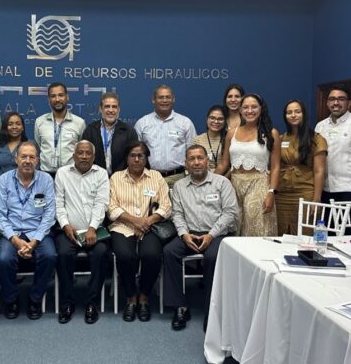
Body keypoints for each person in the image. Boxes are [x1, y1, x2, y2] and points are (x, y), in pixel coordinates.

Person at [163, 145, 238, 331]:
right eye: (191, 159)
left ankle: (211, 311)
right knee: (169, 252)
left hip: (217, 234)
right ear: (185, 164)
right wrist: (183, 234)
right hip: (190, 234)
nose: (196, 162)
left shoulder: (222, 183)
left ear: (207, 161)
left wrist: (211, 235)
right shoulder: (180, 186)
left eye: (200, 158)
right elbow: (177, 214)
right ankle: (180, 306)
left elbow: (230, 213)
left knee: (212, 258)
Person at [0, 141, 56, 320]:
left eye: (32, 157)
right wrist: (15, 239)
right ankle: (11, 299)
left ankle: (35, 299)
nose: (27, 161)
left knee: (50, 256)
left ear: (38, 160)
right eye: (24, 156)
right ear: (16, 159)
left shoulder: (46, 180)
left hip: (38, 232)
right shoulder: (4, 180)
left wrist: (34, 241)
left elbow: (50, 215)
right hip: (11, 232)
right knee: (3, 259)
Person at [108, 141, 171, 322]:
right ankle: (130, 298)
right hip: (123, 226)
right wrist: (136, 221)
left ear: (146, 158)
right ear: (127, 158)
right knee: (125, 255)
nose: (136, 159)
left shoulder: (156, 177)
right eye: (132, 155)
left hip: (150, 227)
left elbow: (167, 206)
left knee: (151, 255)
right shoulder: (116, 178)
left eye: (140, 155)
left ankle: (143, 297)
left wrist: (147, 221)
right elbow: (111, 208)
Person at [54, 141, 110, 324]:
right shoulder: (62, 173)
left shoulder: (101, 174)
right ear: (74, 155)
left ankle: (91, 302)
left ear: (93, 157)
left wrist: (93, 228)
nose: (84, 156)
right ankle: (67, 302)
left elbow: (101, 204)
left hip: (95, 230)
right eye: (80, 153)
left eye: (88, 153)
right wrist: (65, 225)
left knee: (101, 254)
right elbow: (59, 204)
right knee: (63, 254)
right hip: (68, 230)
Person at [215, 94, 280, 237]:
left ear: (261, 109)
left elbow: (275, 167)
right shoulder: (232, 133)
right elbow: (224, 164)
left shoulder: (271, 133)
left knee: (256, 230)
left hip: (259, 185)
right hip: (234, 186)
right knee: (235, 229)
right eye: (245, 107)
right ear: (240, 110)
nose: (249, 111)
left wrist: (271, 192)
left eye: (254, 107)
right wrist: (209, 181)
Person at [277, 100, 328, 235]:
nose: (293, 115)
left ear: (304, 114)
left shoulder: (316, 139)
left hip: (306, 193)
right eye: (289, 112)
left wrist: (316, 199)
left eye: (297, 112)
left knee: (305, 235)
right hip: (282, 195)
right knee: (281, 234)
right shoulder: (281, 139)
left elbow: (319, 171)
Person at [133, 85, 196, 188]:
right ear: (153, 100)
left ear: (173, 99)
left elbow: (193, 151)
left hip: (178, 178)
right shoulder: (142, 123)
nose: (164, 100)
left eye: (168, 97)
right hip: (150, 177)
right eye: (161, 97)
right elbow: (136, 154)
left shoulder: (185, 123)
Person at [34, 82, 86, 177]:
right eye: (53, 96)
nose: (57, 99)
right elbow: (38, 148)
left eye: (61, 95)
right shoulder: (39, 122)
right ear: (49, 99)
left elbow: (82, 151)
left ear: (67, 97)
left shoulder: (79, 123)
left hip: (71, 175)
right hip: (45, 175)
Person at [82, 92, 138, 175]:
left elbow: (133, 159)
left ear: (119, 110)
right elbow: (85, 157)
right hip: (95, 179)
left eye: (114, 107)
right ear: (100, 109)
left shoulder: (129, 131)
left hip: (122, 180)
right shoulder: (90, 130)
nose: (111, 110)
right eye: (107, 106)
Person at [0, 112, 27, 183]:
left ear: (22, 127)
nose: (14, 127)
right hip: (1, 187)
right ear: (5, 127)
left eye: (18, 124)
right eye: (10, 124)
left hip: (23, 186)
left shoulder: (28, 146)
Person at [192, 105, 227, 171]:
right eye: (212, 118)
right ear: (207, 119)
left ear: (225, 121)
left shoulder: (228, 139)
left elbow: (231, 166)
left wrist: (223, 179)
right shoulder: (197, 140)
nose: (216, 121)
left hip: (225, 178)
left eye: (220, 119)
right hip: (202, 178)